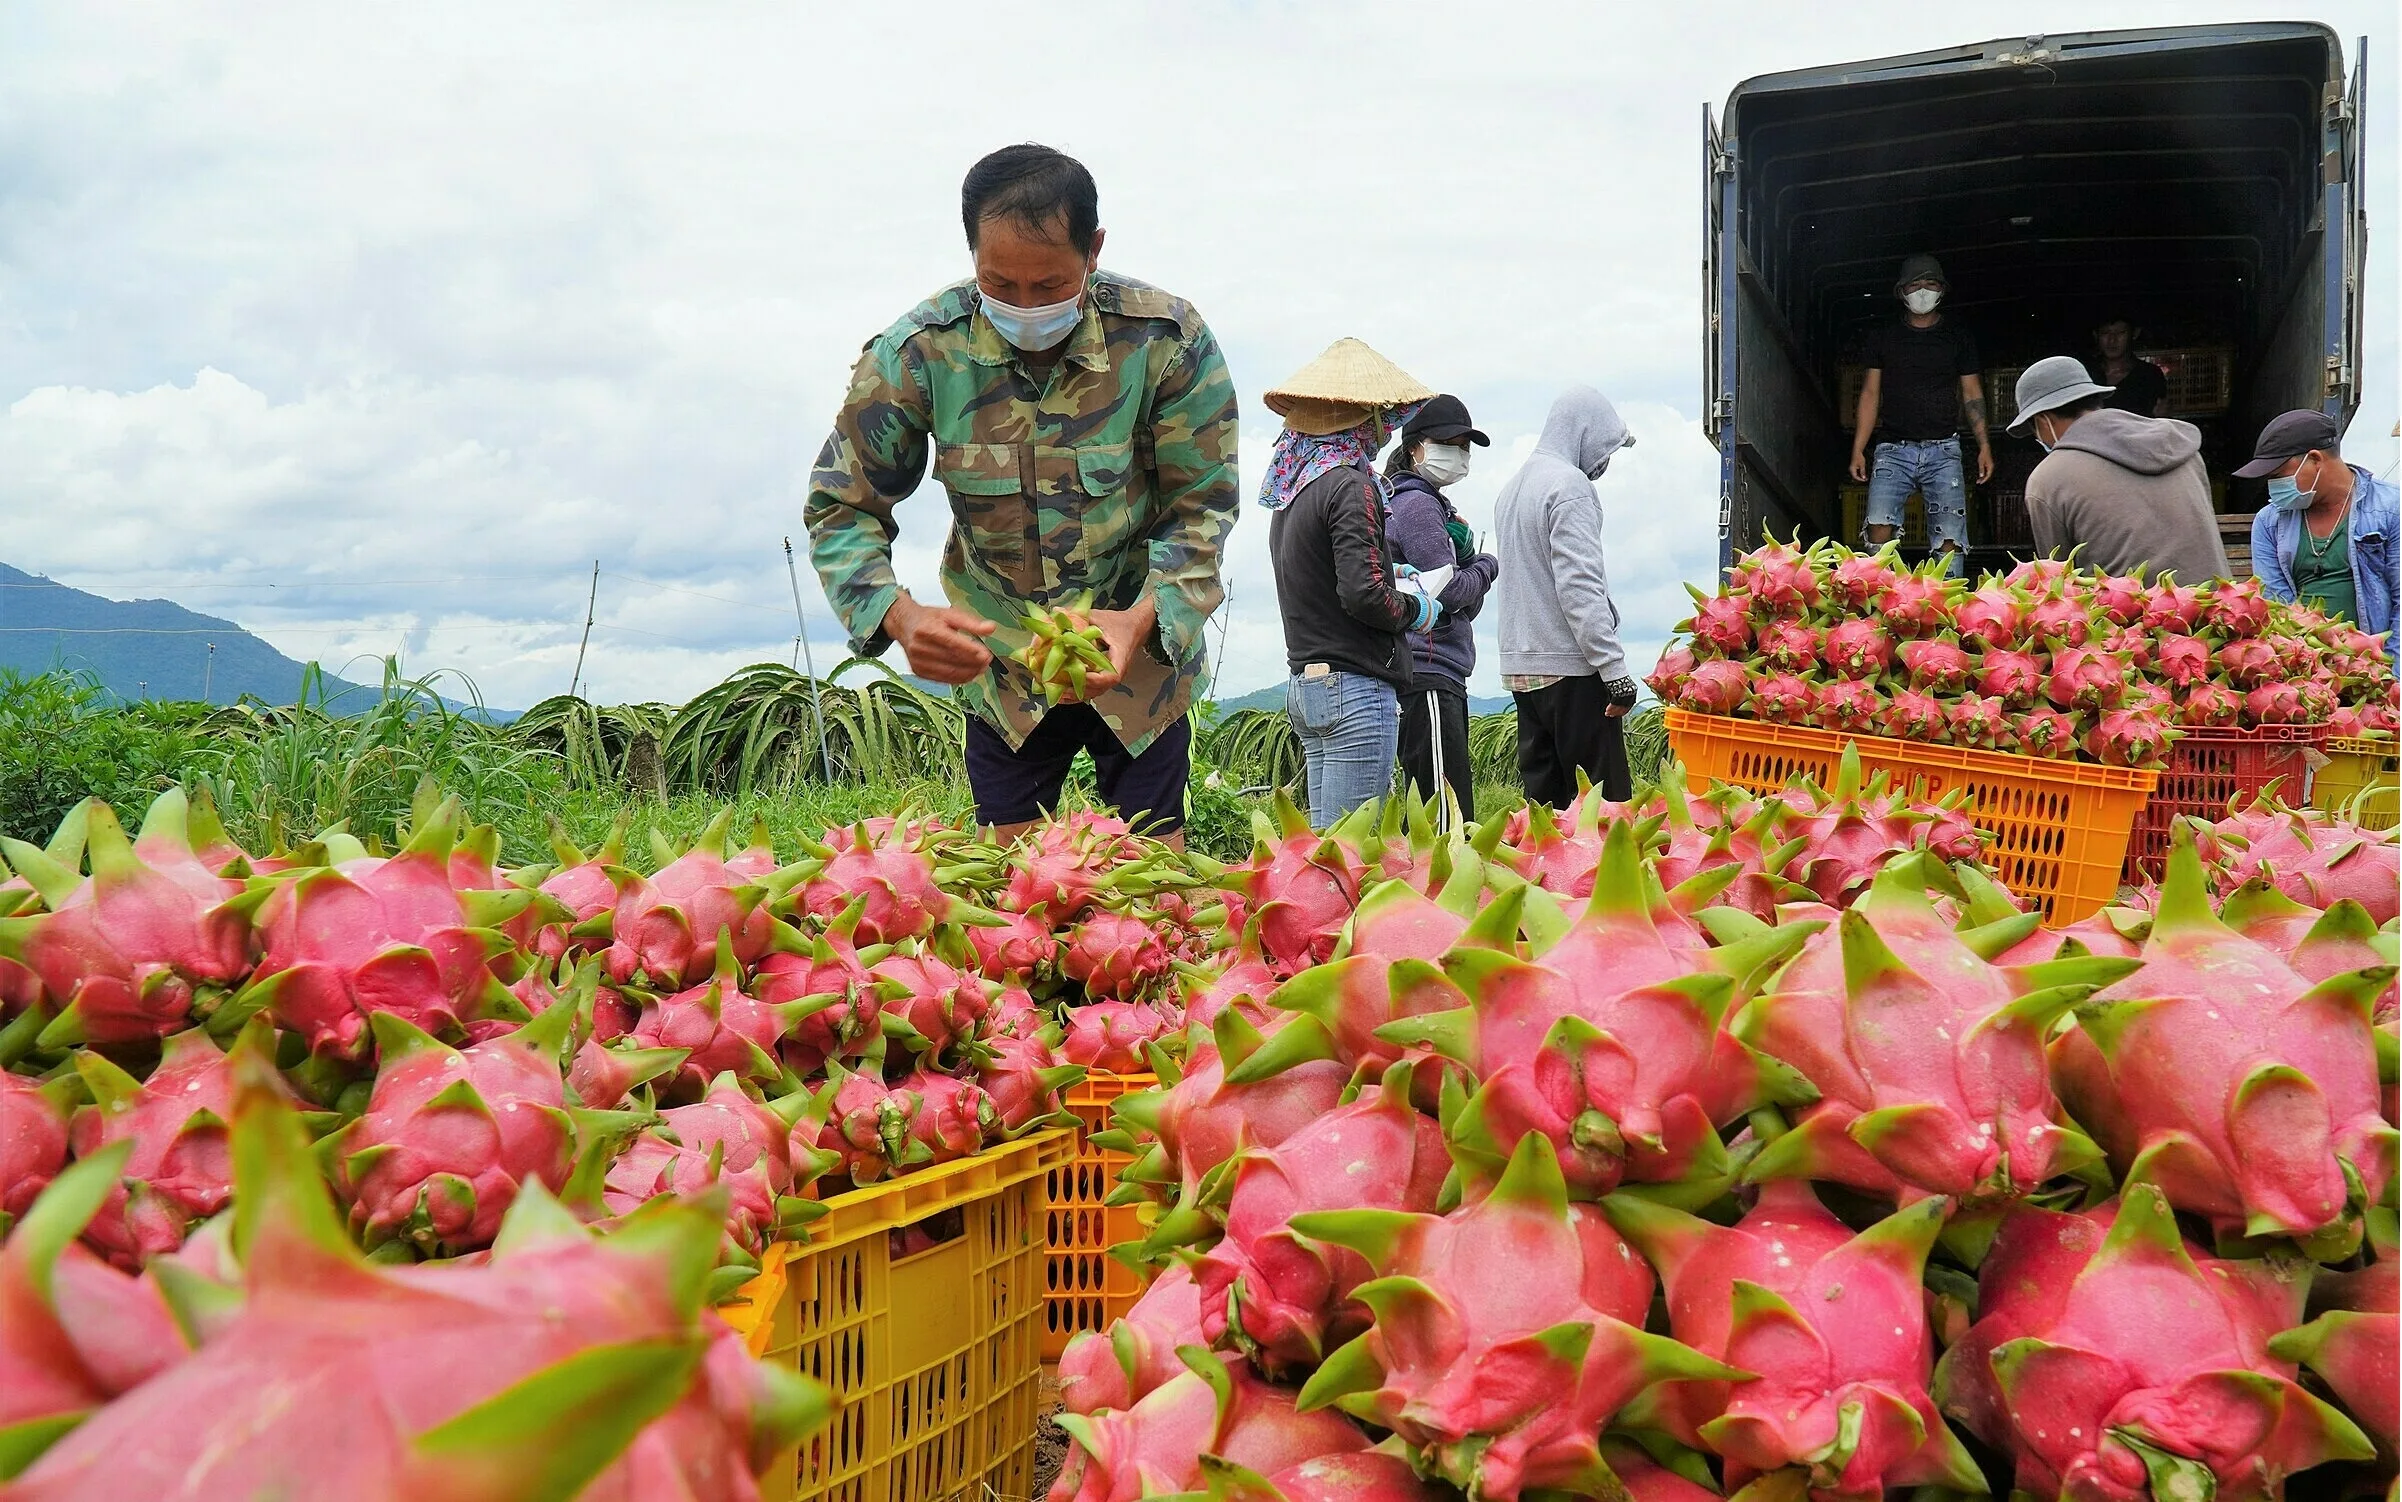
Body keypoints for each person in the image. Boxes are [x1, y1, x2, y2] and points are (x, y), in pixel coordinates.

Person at [804, 144, 1238, 849]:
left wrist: (1139, 622)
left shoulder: (1167, 343)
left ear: (1093, 250)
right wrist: (899, 615)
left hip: (1140, 662)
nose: (1025, 307)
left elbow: (1202, 511)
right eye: (999, 284)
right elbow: (842, 507)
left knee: (1153, 886)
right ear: (971, 253)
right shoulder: (919, 353)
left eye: (1050, 284)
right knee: (1010, 898)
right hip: (1000, 667)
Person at [1262, 338, 1438, 828]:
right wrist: (1415, 609)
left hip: (1308, 684)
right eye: (1380, 417)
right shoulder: (1350, 484)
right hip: (1354, 687)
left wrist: (1391, 570)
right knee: (1350, 854)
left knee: (1325, 846)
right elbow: (1363, 594)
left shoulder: (1295, 489)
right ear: (1364, 420)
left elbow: (1319, 573)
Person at [1495, 386, 1639, 807]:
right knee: (1601, 814)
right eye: (1605, 449)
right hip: (1571, 672)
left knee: (1546, 816)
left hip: (1523, 672)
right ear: (1585, 433)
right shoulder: (1569, 486)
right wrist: (1615, 671)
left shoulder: (1513, 489)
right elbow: (1580, 586)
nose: (1603, 463)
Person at [2009, 355, 2228, 584]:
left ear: (2043, 420)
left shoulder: (2048, 478)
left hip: (2135, 617)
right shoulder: (2181, 444)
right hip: (2222, 609)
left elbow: (2059, 582)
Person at [1383, 394, 1499, 821]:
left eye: (1465, 446)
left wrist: (1466, 571)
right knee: (1445, 814)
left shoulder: (1428, 503)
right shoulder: (1417, 504)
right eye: (1448, 442)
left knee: (1438, 804)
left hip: (1435, 668)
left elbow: (1465, 604)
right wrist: (1486, 564)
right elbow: (1450, 594)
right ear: (1415, 447)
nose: (1459, 454)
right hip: (1428, 670)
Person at [1848, 253, 1993, 571]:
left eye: (1930, 283)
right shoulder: (1884, 336)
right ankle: (1880, 600)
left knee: (1950, 539)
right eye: (1916, 284)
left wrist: (1984, 445)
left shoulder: (1957, 337)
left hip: (1944, 449)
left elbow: (1972, 394)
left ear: (1942, 290)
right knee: (1878, 531)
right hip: (1892, 451)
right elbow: (1870, 394)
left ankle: (1948, 607)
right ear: (1902, 292)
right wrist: (1859, 448)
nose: (1923, 291)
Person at [2238, 409, 2398, 668]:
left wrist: (2392, 678)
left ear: (2314, 459)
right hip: (2308, 673)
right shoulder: (2268, 523)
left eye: (2277, 476)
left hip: (2380, 667)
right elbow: (2277, 607)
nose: (2272, 486)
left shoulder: (2392, 508)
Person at [2093, 317, 2168, 418]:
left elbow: (2159, 418)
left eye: (2120, 333)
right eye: (2105, 333)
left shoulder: (2149, 375)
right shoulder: (2085, 373)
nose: (2112, 340)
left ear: (2134, 334)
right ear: (2096, 335)